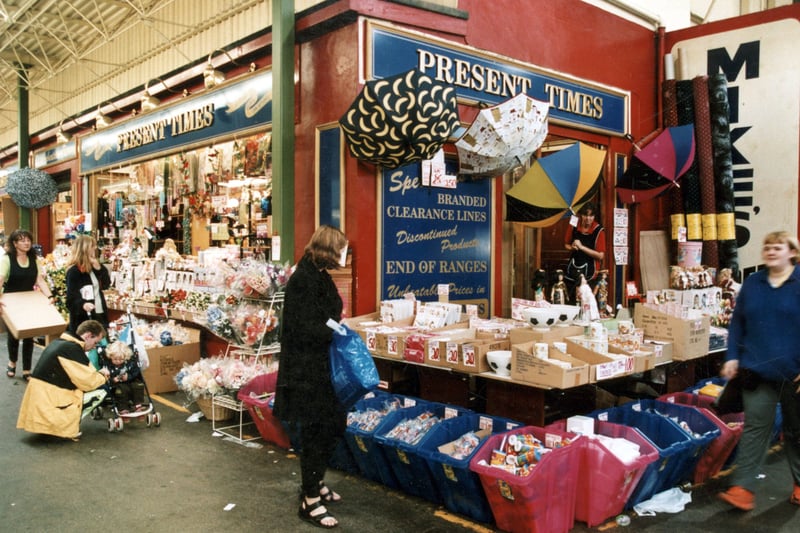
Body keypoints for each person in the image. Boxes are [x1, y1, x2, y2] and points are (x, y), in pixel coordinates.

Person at [273, 224, 349, 529]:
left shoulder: (315, 274)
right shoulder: (304, 280)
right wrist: (335, 330)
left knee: (328, 427)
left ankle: (314, 484)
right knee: (318, 431)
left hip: (317, 367)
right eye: (341, 249)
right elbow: (305, 327)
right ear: (329, 250)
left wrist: (335, 326)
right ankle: (309, 499)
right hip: (306, 371)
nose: (345, 254)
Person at [718, 231, 800, 511]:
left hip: (795, 374)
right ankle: (743, 487)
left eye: (779, 247)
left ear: (792, 252)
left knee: (796, 431)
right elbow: (738, 323)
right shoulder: (753, 282)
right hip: (757, 370)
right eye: (768, 246)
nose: (772, 251)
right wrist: (732, 357)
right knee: (755, 429)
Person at [16, 319, 109, 440]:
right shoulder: (72, 349)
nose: (94, 347)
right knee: (102, 391)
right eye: (95, 342)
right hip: (50, 397)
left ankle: (50, 426)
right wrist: (103, 375)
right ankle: (64, 426)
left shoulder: (60, 342)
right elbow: (88, 382)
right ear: (88, 336)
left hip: (41, 397)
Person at [0, 229, 55, 381]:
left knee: (30, 335)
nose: (26, 243)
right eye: (22, 240)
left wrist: (49, 296)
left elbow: (39, 280)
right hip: (11, 300)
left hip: (29, 300)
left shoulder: (34, 259)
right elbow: (1, 280)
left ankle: (27, 369)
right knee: (14, 335)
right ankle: (12, 362)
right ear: (15, 243)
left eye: (28, 240)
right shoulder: (7, 259)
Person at [65, 235, 111, 334]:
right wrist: (83, 304)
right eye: (92, 246)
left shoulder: (95, 266)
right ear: (84, 249)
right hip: (83, 317)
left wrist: (99, 269)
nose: (95, 248)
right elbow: (71, 298)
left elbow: (106, 285)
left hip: (99, 312)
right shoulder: (74, 271)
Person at [564, 202, 606, 301]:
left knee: (587, 304)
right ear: (581, 215)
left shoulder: (599, 230)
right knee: (572, 303)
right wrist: (572, 247)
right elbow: (566, 244)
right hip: (574, 271)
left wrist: (582, 247)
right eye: (585, 215)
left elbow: (600, 256)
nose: (588, 218)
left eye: (591, 216)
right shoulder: (574, 223)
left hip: (590, 274)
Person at [102, 340, 145, 414]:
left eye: (121, 359)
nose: (118, 361)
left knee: (137, 385)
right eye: (115, 359)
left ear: (125, 357)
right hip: (117, 385)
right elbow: (106, 379)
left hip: (130, 381)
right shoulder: (108, 366)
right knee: (122, 389)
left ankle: (137, 404)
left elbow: (136, 372)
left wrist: (128, 376)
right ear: (110, 357)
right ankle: (123, 408)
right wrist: (113, 380)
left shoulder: (129, 364)